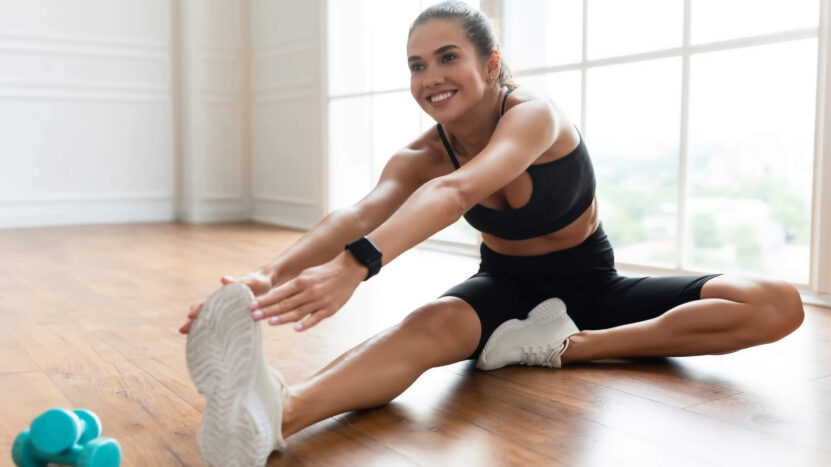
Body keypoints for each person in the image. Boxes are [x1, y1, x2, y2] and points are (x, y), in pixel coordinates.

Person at [179, 1, 805, 465]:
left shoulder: (535, 117)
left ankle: (565, 347)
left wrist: (354, 268)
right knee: (425, 328)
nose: (431, 77)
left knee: (777, 304)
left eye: (448, 57)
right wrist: (266, 276)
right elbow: (355, 215)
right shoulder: (422, 153)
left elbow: (455, 194)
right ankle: (278, 412)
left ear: (491, 64)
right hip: (505, 290)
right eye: (417, 65)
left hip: (593, 286)